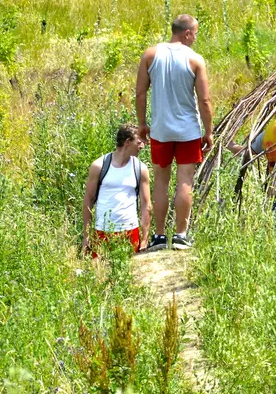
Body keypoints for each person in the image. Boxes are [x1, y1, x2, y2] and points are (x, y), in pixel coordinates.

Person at [135, 14, 214, 251]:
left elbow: (140, 93)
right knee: (185, 181)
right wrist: (208, 132)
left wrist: (142, 124)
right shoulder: (195, 60)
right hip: (188, 131)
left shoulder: (150, 55)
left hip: (160, 129)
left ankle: (159, 236)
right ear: (187, 33)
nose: (196, 38)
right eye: (196, 34)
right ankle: (180, 234)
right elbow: (205, 100)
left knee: (160, 182)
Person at [82, 123, 152, 257]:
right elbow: (88, 200)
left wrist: (145, 238)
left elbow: (146, 205)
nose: (142, 146)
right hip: (102, 231)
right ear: (127, 142)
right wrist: (86, 236)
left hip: (130, 232)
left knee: (130, 275)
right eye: (139, 142)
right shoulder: (99, 166)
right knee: (100, 273)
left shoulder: (140, 169)